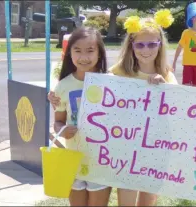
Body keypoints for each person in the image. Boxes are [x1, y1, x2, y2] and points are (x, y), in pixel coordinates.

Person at [49, 10, 177, 206]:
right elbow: (86, 86)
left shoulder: (167, 75)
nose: (146, 49)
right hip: (121, 151)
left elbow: (179, 107)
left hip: (154, 149)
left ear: (160, 45)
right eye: (140, 44)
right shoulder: (116, 74)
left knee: (147, 199)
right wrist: (55, 95)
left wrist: (164, 88)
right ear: (131, 46)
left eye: (152, 44)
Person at [52, 27, 111, 206]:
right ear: (69, 53)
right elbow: (58, 122)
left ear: (99, 54)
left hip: (101, 162)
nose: (83, 57)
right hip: (73, 160)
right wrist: (62, 130)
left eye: (90, 51)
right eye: (77, 50)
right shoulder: (62, 86)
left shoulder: (111, 82)